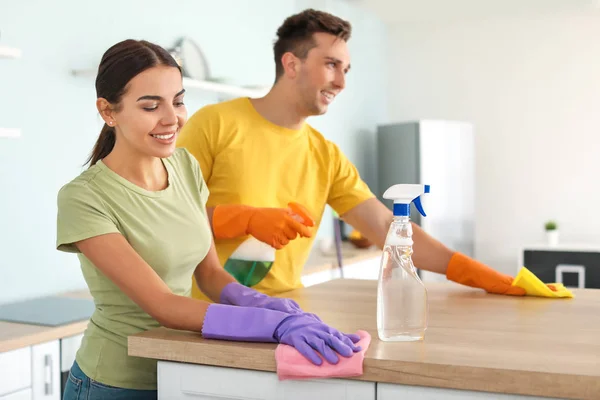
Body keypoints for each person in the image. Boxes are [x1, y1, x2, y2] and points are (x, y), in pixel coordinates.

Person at [56, 39, 361, 400]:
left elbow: (210, 274)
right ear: (108, 111)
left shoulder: (184, 167)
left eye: (179, 100)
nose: (172, 118)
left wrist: (262, 303)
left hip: (182, 369)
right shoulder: (84, 197)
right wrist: (272, 324)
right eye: (151, 106)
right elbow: (163, 305)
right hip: (115, 381)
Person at [176, 8, 526, 300]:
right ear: (292, 64)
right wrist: (242, 219)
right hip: (204, 314)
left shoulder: (325, 155)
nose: (341, 82)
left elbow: (387, 227)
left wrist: (478, 274)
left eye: (345, 70)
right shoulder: (214, 123)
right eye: (331, 64)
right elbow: (167, 215)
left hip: (282, 313)